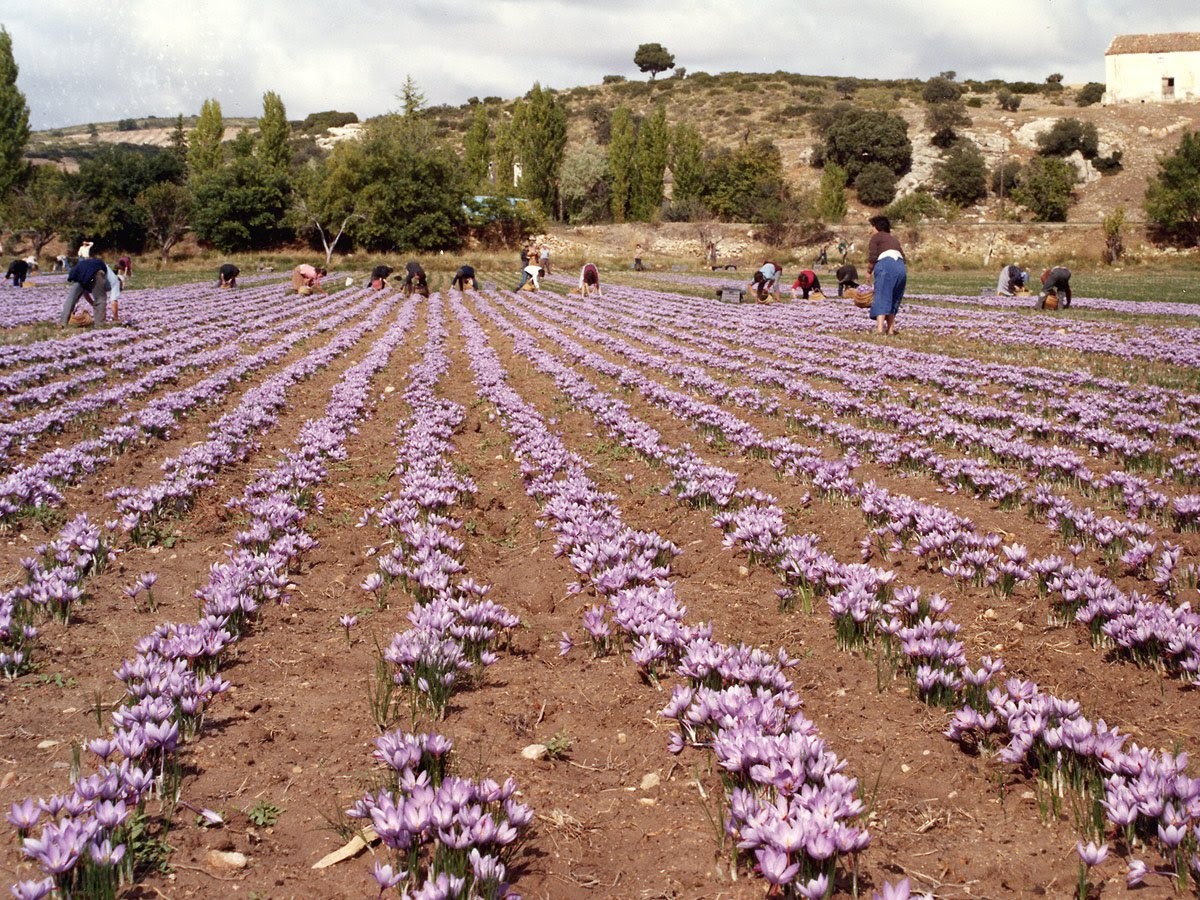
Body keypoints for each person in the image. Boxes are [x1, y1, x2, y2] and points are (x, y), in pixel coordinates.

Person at [866, 215, 906, 335]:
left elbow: (873, 256)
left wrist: (869, 272)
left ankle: (879, 329)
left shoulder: (876, 237)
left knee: (882, 294)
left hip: (886, 264)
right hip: (900, 267)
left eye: (872, 226)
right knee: (894, 296)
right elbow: (904, 257)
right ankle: (890, 329)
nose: (871, 229)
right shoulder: (894, 239)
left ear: (877, 227)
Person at [60, 256, 110, 328]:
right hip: (96, 273)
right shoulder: (100, 263)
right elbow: (103, 285)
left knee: (71, 299)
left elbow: (83, 289)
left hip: (80, 275)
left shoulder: (82, 264)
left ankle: (62, 323)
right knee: (100, 298)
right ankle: (99, 324)